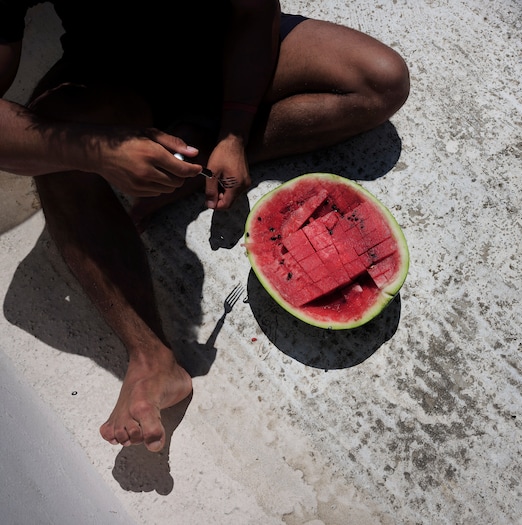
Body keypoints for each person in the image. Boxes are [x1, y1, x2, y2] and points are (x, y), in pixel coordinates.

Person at [0, 0, 409, 452]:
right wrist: (94, 151)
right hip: (105, 72)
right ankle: (151, 358)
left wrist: (235, 133)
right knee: (55, 162)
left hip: (220, 45)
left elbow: (254, 14)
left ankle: (202, 163)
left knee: (380, 79)